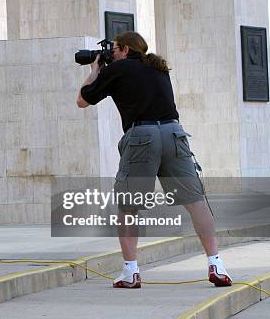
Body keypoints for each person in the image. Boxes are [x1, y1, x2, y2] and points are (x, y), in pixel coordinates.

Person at [76, 31, 231, 288]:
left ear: (125, 50)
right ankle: (216, 264)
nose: (111, 53)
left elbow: (82, 100)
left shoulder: (118, 69)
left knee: (128, 206)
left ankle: (131, 272)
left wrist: (95, 70)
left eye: (114, 49)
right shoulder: (159, 67)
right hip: (173, 132)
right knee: (195, 201)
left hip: (142, 135)